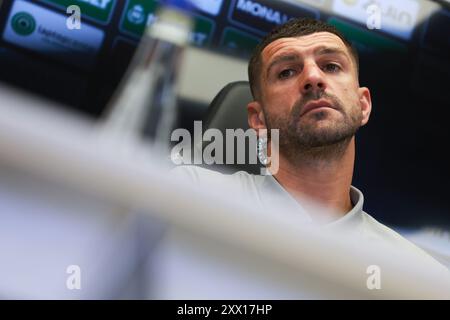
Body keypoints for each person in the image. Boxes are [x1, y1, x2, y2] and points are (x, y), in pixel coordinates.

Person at [171, 18, 449, 271]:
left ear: (363, 105)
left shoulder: (417, 275)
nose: (313, 78)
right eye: (287, 72)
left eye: (331, 66)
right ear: (258, 119)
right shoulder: (185, 195)